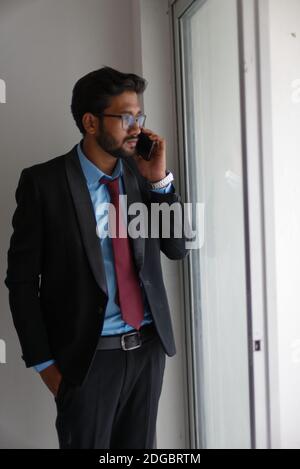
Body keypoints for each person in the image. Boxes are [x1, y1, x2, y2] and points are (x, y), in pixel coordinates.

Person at [5, 66, 189, 449]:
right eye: (125, 117)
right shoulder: (44, 184)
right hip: (87, 361)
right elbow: (22, 283)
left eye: (139, 116)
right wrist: (46, 366)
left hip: (148, 350)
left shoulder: (142, 177)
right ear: (90, 122)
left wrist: (159, 181)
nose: (136, 127)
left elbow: (178, 247)